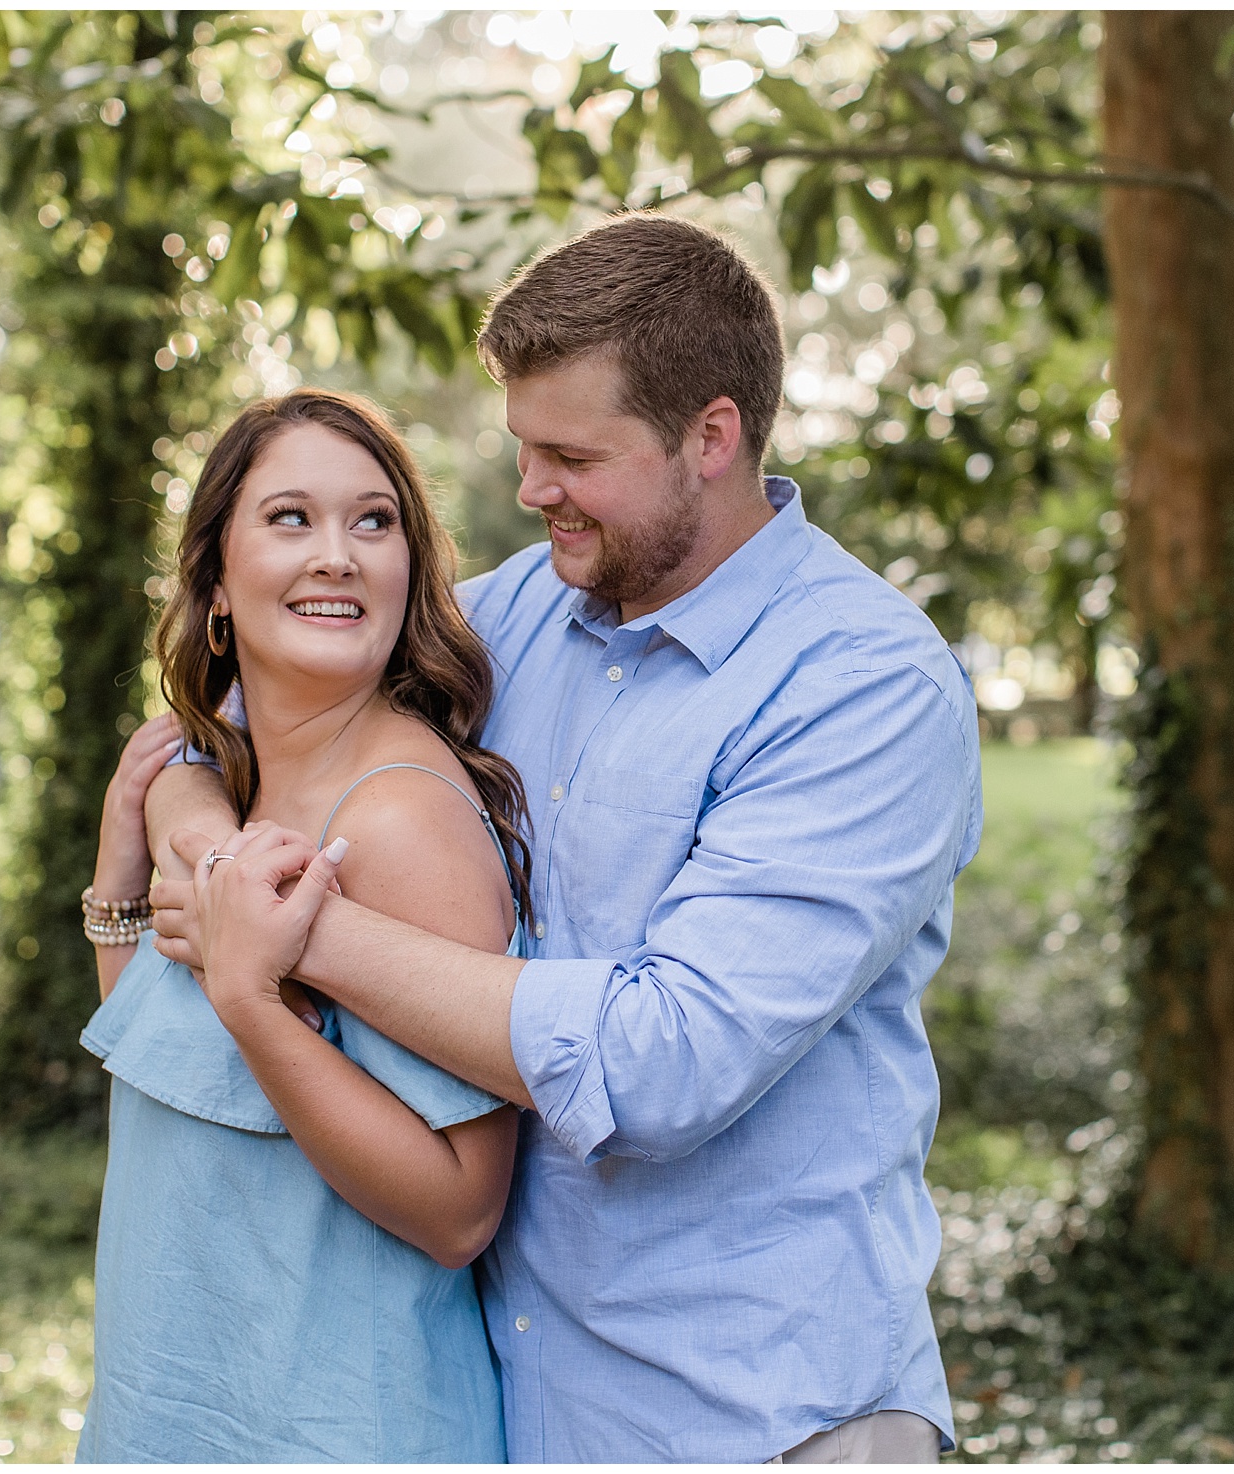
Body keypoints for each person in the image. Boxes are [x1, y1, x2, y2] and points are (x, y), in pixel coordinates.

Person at [149, 213, 983, 1463]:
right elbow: (237, 710)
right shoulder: (523, 612)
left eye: (570, 454)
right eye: (523, 448)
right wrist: (204, 833)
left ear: (711, 437)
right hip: (525, 1404)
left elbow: (663, 1062)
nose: (531, 489)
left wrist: (288, 932)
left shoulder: (863, 686)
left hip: (767, 1415)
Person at [74, 389, 529, 1462]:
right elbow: (171, 1072)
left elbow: (462, 1209)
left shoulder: (398, 819)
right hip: (179, 1399)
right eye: (291, 519)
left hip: (338, 1422)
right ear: (215, 584)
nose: (338, 554)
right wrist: (118, 875)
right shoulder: (233, 787)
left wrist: (249, 998)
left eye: (373, 522)